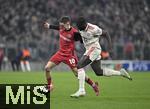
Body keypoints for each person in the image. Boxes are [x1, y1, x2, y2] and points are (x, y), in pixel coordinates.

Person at [70, 16, 132, 97]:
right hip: (89, 49)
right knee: (98, 72)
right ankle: (121, 73)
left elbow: (106, 33)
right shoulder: (81, 28)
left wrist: (110, 45)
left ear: (84, 24)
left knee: (79, 66)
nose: (79, 29)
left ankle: (82, 90)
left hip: (94, 48)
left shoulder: (93, 29)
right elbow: (83, 37)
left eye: (80, 27)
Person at [39, 16, 99, 96]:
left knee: (78, 74)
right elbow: (57, 27)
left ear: (67, 23)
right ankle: (50, 86)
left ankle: (93, 85)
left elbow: (82, 39)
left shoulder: (74, 33)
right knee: (47, 68)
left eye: (62, 24)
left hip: (69, 55)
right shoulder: (61, 28)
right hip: (60, 53)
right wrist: (49, 26)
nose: (61, 26)